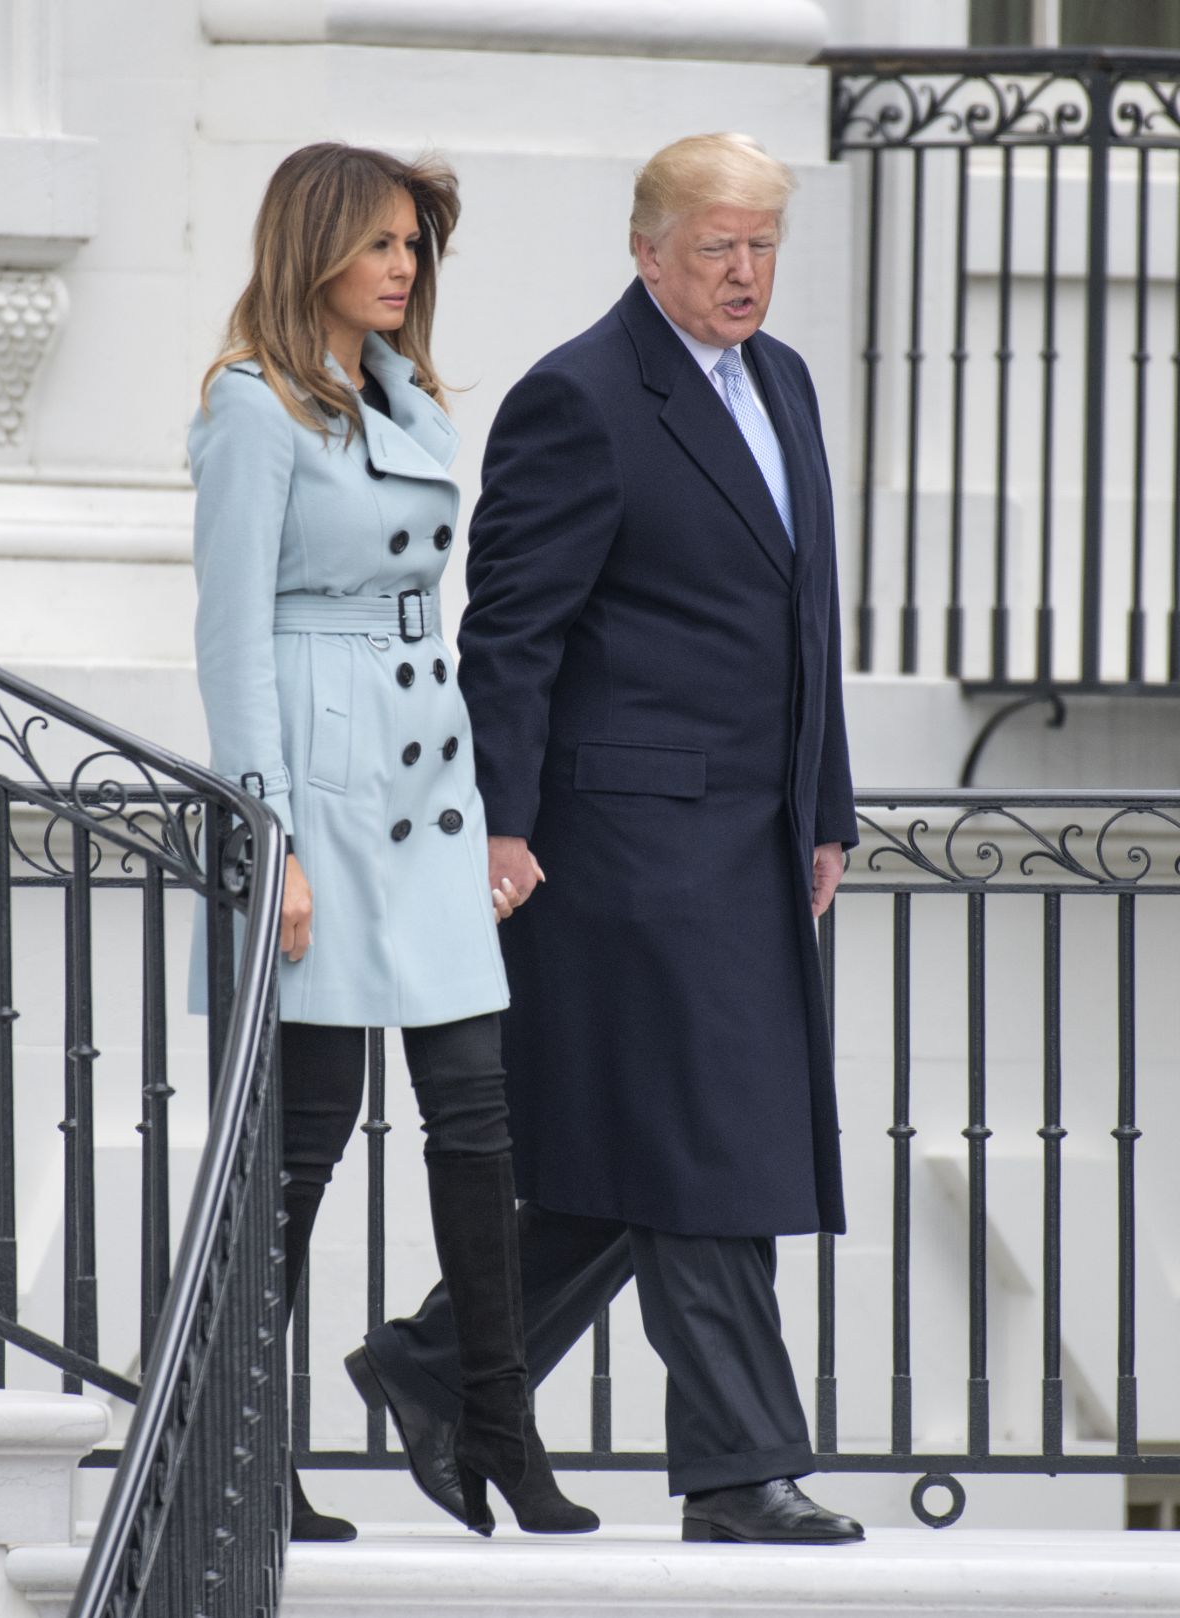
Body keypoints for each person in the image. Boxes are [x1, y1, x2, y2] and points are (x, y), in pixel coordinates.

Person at [346, 132, 864, 1546]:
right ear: (647, 249)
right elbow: (510, 630)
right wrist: (497, 821)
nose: (746, 271)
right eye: (717, 246)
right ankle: (740, 1467)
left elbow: (802, 622)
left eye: (763, 244)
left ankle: (436, 1363)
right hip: (621, 843)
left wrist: (828, 807)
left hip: (752, 838)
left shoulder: (787, 381)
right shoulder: (579, 395)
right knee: (703, 1140)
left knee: (647, 1149)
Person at [188, 141, 597, 1543]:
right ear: (312, 247)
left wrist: (491, 822)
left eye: (416, 244)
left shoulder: (406, 396)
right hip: (320, 783)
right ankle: (241, 1450)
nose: (404, 266)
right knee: (298, 1151)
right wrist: (272, 837)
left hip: (426, 789)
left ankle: (496, 1421)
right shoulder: (253, 410)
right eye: (379, 243)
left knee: (477, 1120)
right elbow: (233, 641)